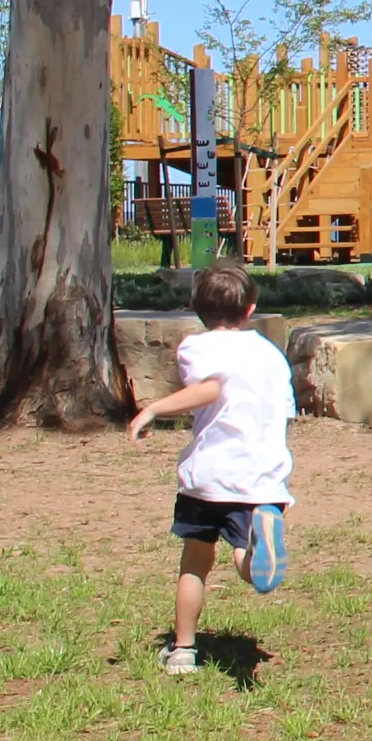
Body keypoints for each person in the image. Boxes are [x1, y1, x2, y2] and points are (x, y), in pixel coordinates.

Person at [127, 260, 295, 675]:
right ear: (250, 307)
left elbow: (210, 389)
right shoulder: (271, 355)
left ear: (197, 309)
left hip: (209, 477)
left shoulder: (197, 346)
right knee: (241, 555)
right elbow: (285, 414)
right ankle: (256, 557)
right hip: (261, 481)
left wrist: (154, 409)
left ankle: (183, 650)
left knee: (195, 562)